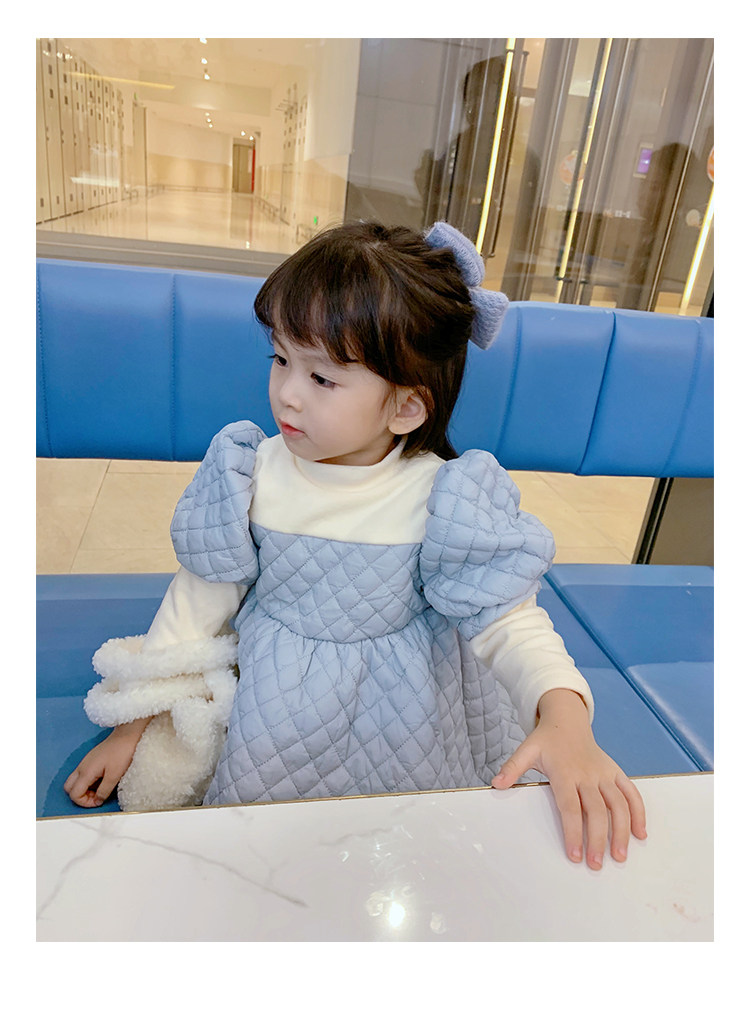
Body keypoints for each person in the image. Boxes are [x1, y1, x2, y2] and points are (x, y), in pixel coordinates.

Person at [64, 220, 647, 870]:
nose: (287, 393)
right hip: (277, 696)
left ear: (406, 409)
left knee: (416, 855)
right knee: (262, 861)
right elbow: (198, 601)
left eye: (322, 378)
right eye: (281, 359)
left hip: (411, 703)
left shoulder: (444, 498)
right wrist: (134, 725)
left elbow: (508, 622)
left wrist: (565, 716)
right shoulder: (250, 472)